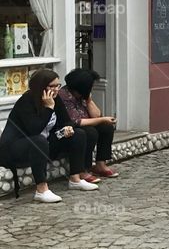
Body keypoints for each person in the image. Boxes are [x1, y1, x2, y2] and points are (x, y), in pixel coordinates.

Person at [0, 69, 97, 202]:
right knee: (39, 141)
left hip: (45, 143)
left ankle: (75, 179)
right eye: (52, 86)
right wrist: (49, 108)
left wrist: (67, 128)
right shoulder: (26, 101)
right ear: (41, 86)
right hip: (15, 148)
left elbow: (67, 121)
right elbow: (34, 129)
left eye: (58, 85)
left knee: (78, 134)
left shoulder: (55, 99)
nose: (56, 89)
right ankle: (41, 190)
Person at [59, 68, 119, 182]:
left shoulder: (82, 95)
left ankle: (100, 164)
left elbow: (96, 115)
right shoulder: (64, 96)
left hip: (82, 126)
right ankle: (82, 169)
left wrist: (89, 101)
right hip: (65, 131)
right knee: (90, 132)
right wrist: (102, 119)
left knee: (106, 127)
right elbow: (77, 121)